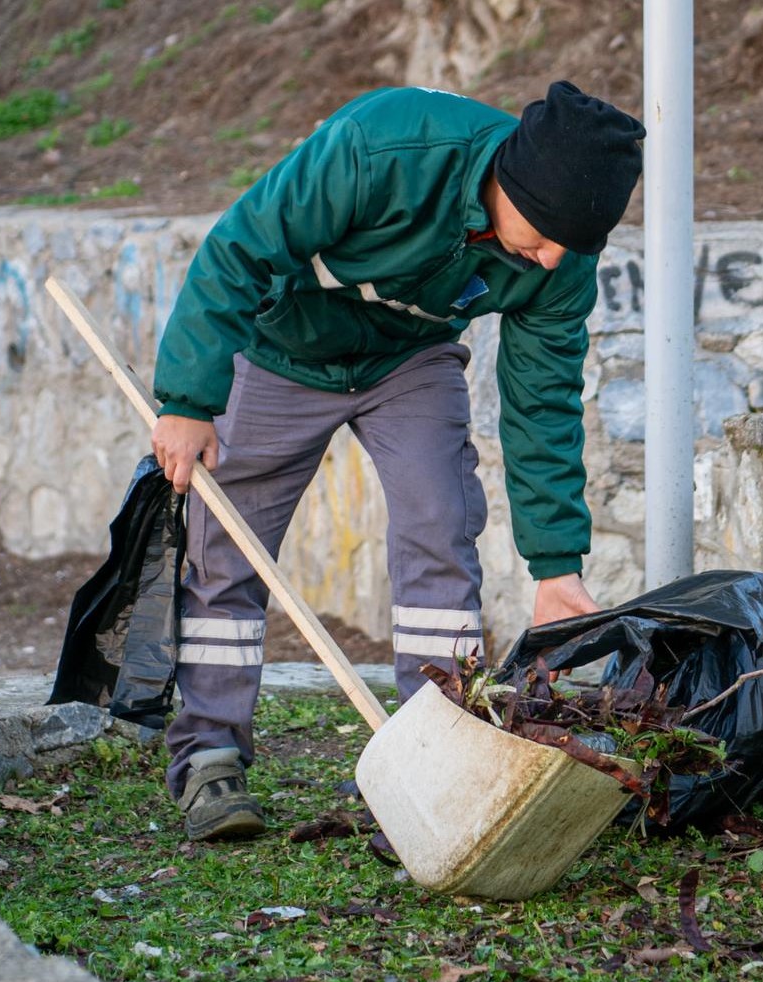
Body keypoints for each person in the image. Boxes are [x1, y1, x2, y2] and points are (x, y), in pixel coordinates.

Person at [150, 80, 645, 841]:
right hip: (286, 348)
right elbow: (243, 242)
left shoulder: (561, 259)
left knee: (442, 519)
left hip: (409, 361)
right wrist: (188, 399)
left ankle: (434, 767)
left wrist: (556, 567)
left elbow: (541, 404)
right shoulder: (386, 145)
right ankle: (211, 755)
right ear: (510, 181)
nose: (549, 260)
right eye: (544, 234)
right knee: (228, 544)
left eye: (569, 249)